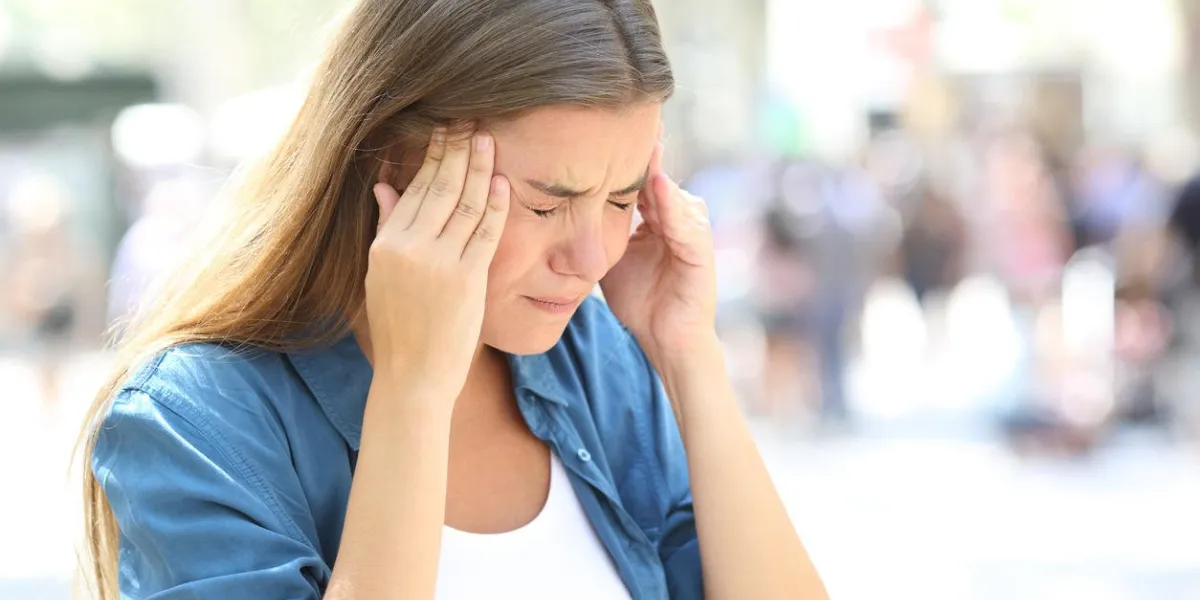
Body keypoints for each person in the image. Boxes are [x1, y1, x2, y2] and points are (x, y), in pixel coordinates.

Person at [77, 2, 828, 600]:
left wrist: (688, 354)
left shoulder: (593, 360)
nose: (593, 256)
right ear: (387, 158)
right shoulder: (192, 422)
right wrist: (413, 392)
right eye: (544, 205)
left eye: (621, 197)